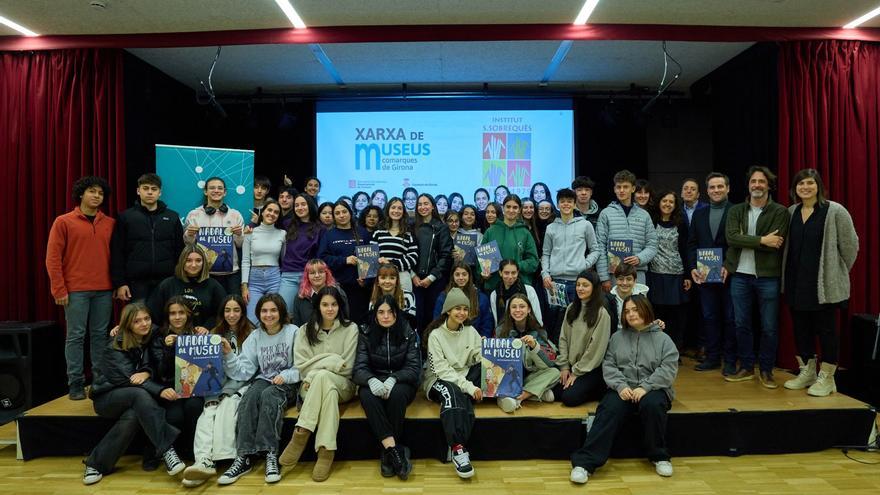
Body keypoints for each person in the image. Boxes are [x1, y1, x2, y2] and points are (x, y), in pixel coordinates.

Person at [569, 294, 678, 484]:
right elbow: (609, 365)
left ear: (646, 310)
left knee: (653, 405)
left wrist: (645, 387)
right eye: (627, 311)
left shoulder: (664, 339)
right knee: (609, 408)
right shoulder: (617, 338)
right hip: (622, 388)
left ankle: (659, 456)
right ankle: (585, 463)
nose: (631, 314)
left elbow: (668, 368)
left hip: (653, 389)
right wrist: (620, 386)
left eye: (635, 309)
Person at [81, 303, 185, 485]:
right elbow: (129, 379)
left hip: (135, 398)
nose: (144, 324)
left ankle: (95, 464)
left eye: (147, 319)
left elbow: (149, 363)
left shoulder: (149, 333)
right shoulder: (115, 346)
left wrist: (146, 372)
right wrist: (160, 390)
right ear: (128, 324)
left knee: (134, 415)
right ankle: (167, 450)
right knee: (139, 396)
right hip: (108, 398)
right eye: (137, 321)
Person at [781, 169, 859, 396]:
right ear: (794, 188)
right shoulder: (792, 211)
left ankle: (827, 378)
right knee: (801, 330)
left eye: (810, 183)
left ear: (819, 186)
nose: (805, 187)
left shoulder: (834, 211)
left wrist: (837, 272)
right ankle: (807, 372)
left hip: (824, 286)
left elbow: (850, 246)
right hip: (796, 283)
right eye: (800, 184)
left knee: (827, 331)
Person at [218, 293, 300, 485]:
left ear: (281, 312)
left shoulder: (293, 332)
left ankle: (270, 453)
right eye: (264, 310)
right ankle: (243, 456)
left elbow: (302, 365)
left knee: (270, 395)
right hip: (265, 379)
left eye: (273, 310)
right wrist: (229, 355)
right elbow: (244, 371)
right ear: (258, 313)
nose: (268, 314)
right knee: (250, 395)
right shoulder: (255, 336)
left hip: (289, 383)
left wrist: (286, 376)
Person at [279, 287, 358, 482]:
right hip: (311, 386)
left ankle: (302, 432)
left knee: (323, 377)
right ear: (318, 306)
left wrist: (316, 370)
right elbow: (301, 367)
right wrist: (332, 360)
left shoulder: (351, 328)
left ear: (340, 306)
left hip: (344, 386)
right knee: (326, 387)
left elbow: (347, 368)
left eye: (334, 304)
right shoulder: (305, 330)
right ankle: (326, 451)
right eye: (325, 304)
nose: (330, 309)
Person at [46, 176, 115, 399]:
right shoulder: (64, 221)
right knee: (75, 336)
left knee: (99, 336)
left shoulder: (110, 223)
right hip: (75, 290)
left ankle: (98, 380)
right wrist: (59, 289)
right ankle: (75, 382)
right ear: (81, 194)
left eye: (100, 193)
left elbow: (116, 257)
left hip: (104, 290)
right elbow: (53, 258)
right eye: (92, 191)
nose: (96, 196)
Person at [724, 166, 791, 388]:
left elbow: (777, 244)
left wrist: (750, 239)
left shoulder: (780, 212)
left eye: (761, 182)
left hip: (768, 277)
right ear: (748, 185)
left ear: (769, 185)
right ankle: (746, 367)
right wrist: (762, 240)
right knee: (741, 324)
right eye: (753, 181)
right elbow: (732, 238)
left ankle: (766, 370)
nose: (757, 185)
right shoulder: (736, 211)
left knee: (769, 326)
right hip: (740, 275)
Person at [181, 295, 255, 487]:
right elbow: (209, 369)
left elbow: (244, 373)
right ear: (222, 313)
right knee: (206, 415)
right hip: (218, 386)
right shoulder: (214, 334)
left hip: (242, 385)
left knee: (227, 409)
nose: (231, 315)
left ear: (243, 312)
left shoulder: (252, 334)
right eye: (227, 310)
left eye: (236, 310)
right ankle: (203, 461)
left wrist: (228, 354)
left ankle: (224, 459)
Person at [353, 295, 421, 480]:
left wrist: (394, 378)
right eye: (381, 312)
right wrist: (370, 380)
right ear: (375, 315)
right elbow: (359, 369)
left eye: (390, 312)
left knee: (397, 395)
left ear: (396, 314)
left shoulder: (408, 331)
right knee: (366, 395)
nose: (386, 316)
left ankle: (387, 453)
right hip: (375, 379)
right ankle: (394, 450)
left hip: (402, 381)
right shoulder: (366, 332)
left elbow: (414, 369)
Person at [422, 288, 482, 479]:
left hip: (463, 376)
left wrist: (485, 352)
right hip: (439, 380)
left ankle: (501, 395)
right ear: (448, 310)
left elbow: (476, 356)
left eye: (465, 308)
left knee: (484, 367)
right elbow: (443, 371)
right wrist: (470, 387)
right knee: (452, 392)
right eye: (457, 308)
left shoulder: (471, 331)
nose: (462, 313)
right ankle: (457, 448)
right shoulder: (436, 336)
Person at [688, 173, 737, 374]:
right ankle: (713, 357)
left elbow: (740, 243)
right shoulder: (699, 214)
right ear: (707, 190)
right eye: (712, 187)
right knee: (709, 317)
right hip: (705, 276)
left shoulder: (736, 211)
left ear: (728, 188)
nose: (716, 190)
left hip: (731, 275)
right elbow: (691, 244)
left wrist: (729, 264)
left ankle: (731, 360)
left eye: (720, 186)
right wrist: (692, 267)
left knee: (731, 318)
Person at [111, 173, 184, 304]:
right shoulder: (125, 217)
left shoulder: (172, 217)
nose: (150, 192)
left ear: (160, 193)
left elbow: (179, 250)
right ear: (138, 191)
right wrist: (120, 283)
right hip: (136, 282)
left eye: (154, 189)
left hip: (167, 280)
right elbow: (117, 252)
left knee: (166, 321)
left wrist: (179, 278)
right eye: (146, 188)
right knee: (139, 322)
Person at [152, 297, 205, 461]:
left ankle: (193, 450)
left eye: (181, 312)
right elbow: (162, 372)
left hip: (193, 387)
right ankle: (174, 452)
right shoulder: (159, 336)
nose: (177, 317)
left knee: (194, 407)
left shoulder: (197, 334)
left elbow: (205, 364)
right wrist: (169, 348)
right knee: (175, 416)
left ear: (188, 314)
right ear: (167, 316)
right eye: (172, 313)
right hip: (169, 386)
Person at [493, 294, 561, 413]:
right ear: (509, 311)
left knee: (555, 372)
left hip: (529, 377)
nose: (518, 310)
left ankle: (521, 397)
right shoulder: (500, 330)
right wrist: (486, 345)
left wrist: (534, 346)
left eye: (522, 306)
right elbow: (493, 363)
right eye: (514, 307)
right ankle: (535, 394)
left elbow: (547, 365)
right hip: (507, 378)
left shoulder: (538, 331)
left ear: (529, 309)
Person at [596, 169, 658, 289]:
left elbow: (652, 245)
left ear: (633, 189)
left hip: (637, 273)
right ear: (614, 189)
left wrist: (639, 258)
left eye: (626, 187)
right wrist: (604, 277)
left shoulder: (644, 215)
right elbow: (600, 246)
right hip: (614, 274)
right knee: (616, 307)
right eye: (618, 187)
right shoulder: (606, 213)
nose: (622, 190)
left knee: (637, 307)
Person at [557, 270, 611, 407]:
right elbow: (563, 338)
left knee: (569, 398)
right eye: (578, 285)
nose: (580, 288)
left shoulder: (601, 313)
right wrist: (564, 367)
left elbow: (596, 349)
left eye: (585, 285)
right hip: (571, 365)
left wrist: (576, 373)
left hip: (590, 368)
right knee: (555, 390)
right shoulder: (571, 308)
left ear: (594, 287)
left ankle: (599, 389)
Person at [183, 177, 245, 295]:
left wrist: (239, 234)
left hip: (231, 274)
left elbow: (240, 244)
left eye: (220, 188)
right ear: (205, 191)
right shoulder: (194, 215)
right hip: (204, 273)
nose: (216, 190)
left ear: (225, 192)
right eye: (212, 188)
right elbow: (188, 245)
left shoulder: (235, 215)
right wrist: (189, 235)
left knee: (232, 308)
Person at [646, 190, 691, 350]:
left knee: (676, 316)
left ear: (675, 205)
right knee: (657, 312)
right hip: (655, 274)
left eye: (671, 202)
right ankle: (657, 349)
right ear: (659, 202)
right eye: (664, 200)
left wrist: (687, 275)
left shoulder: (681, 224)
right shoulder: (651, 221)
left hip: (676, 275)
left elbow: (685, 250)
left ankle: (674, 350)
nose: (667, 204)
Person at [541, 188, 601, 305]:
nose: (566, 204)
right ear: (558, 205)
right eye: (562, 201)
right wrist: (545, 274)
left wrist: (585, 264)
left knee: (577, 317)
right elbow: (546, 254)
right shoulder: (551, 228)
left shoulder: (585, 225)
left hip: (578, 282)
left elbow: (595, 250)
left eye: (569, 201)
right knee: (557, 320)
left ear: (574, 204)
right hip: (555, 282)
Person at [148, 245, 226, 329]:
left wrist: (207, 327)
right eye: (188, 260)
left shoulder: (213, 286)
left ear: (204, 263)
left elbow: (222, 313)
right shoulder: (167, 285)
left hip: (204, 338)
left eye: (198, 260)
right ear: (182, 262)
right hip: (173, 337)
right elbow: (154, 315)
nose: (193, 265)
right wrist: (167, 330)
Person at [317, 200, 370, 324]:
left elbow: (370, 259)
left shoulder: (363, 233)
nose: (341, 215)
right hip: (337, 287)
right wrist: (344, 260)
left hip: (361, 288)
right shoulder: (329, 235)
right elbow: (322, 258)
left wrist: (366, 280)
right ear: (334, 216)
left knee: (359, 323)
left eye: (344, 211)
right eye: (337, 213)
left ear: (350, 213)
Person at [481, 195, 539, 293]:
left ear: (519, 210)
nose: (511, 210)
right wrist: (483, 273)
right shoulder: (490, 232)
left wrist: (515, 267)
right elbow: (482, 261)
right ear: (503, 208)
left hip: (519, 287)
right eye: (508, 207)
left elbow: (533, 261)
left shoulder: (525, 233)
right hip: (494, 286)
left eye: (515, 207)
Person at [412, 194, 454, 330]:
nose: (423, 207)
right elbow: (407, 252)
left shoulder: (441, 228)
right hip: (415, 280)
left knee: (434, 318)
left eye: (426, 204)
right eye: (420, 204)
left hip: (435, 280)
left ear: (432, 207)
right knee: (417, 317)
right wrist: (413, 275)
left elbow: (446, 255)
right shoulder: (411, 227)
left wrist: (431, 277)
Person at [241, 200, 285, 324]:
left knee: (273, 318)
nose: (272, 214)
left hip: (274, 277)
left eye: (276, 212)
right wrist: (244, 286)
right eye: (269, 210)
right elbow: (245, 261)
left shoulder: (282, 234)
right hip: (254, 280)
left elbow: (284, 259)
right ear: (263, 212)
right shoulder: (250, 232)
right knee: (252, 320)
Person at [279, 193, 323, 313]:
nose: (300, 208)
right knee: (284, 312)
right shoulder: (287, 224)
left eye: (303, 204)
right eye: (297, 205)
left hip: (310, 276)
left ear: (310, 206)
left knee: (309, 313)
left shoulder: (320, 228)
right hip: (288, 276)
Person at [433, 261, 494, 337]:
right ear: (452, 276)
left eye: (464, 274)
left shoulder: (480, 297)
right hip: (449, 339)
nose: (461, 278)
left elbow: (487, 323)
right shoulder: (443, 297)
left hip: (475, 341)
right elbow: (437, 321)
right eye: (457, 275)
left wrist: (483, 338)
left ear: (469, 276)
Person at [372, 197, 419, 292]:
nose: (396, 211)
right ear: (388, 209)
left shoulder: (408, 234)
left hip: (402, 278)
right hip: (382, 277)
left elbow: (413, 258)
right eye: (393, 207)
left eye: (399, 208)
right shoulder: (378, 232)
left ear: (403, 212)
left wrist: (391, 263)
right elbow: (371, 256)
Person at [489, 260, 543, 327]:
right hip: (504, 333)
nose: (510, 277)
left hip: (528, 332)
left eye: (513, 273)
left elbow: (537, 317)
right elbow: (496, 322)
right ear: (500, 273)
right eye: (506, 273)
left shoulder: (529, 290)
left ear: (518, 273)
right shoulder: (494, 295)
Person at [291, 259, 343, 326]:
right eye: (312, 273)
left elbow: (344, 319)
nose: (317, 275)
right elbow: (297, 324)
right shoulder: (300, 296)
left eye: (321, 272)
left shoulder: (338, 292)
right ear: (307, 276)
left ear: (326, 274)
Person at [609, 263, 648, 331]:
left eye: (629, 279)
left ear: (635, 280)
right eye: (621, 279)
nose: (624, 283)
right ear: (616, 280)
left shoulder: (641, 297)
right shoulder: (609, 298)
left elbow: (647, 319)